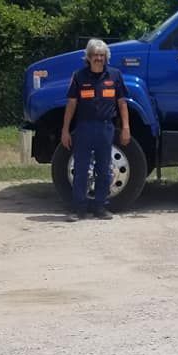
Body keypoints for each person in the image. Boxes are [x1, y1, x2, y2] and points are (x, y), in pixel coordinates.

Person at [60, 39, 131, 221]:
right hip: (84, 127)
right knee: (81, 169)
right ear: (89, 58)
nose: (98, 58)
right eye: (95, 55)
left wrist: (125, 127)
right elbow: (71, 104)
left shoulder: (115, 76)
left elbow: (122, 103)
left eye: (102, 55)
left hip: (106, 128)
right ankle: (79, 209)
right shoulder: (79, 76)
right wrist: (65, 130)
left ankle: (100, 207)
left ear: (106, 57)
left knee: (104, 169)